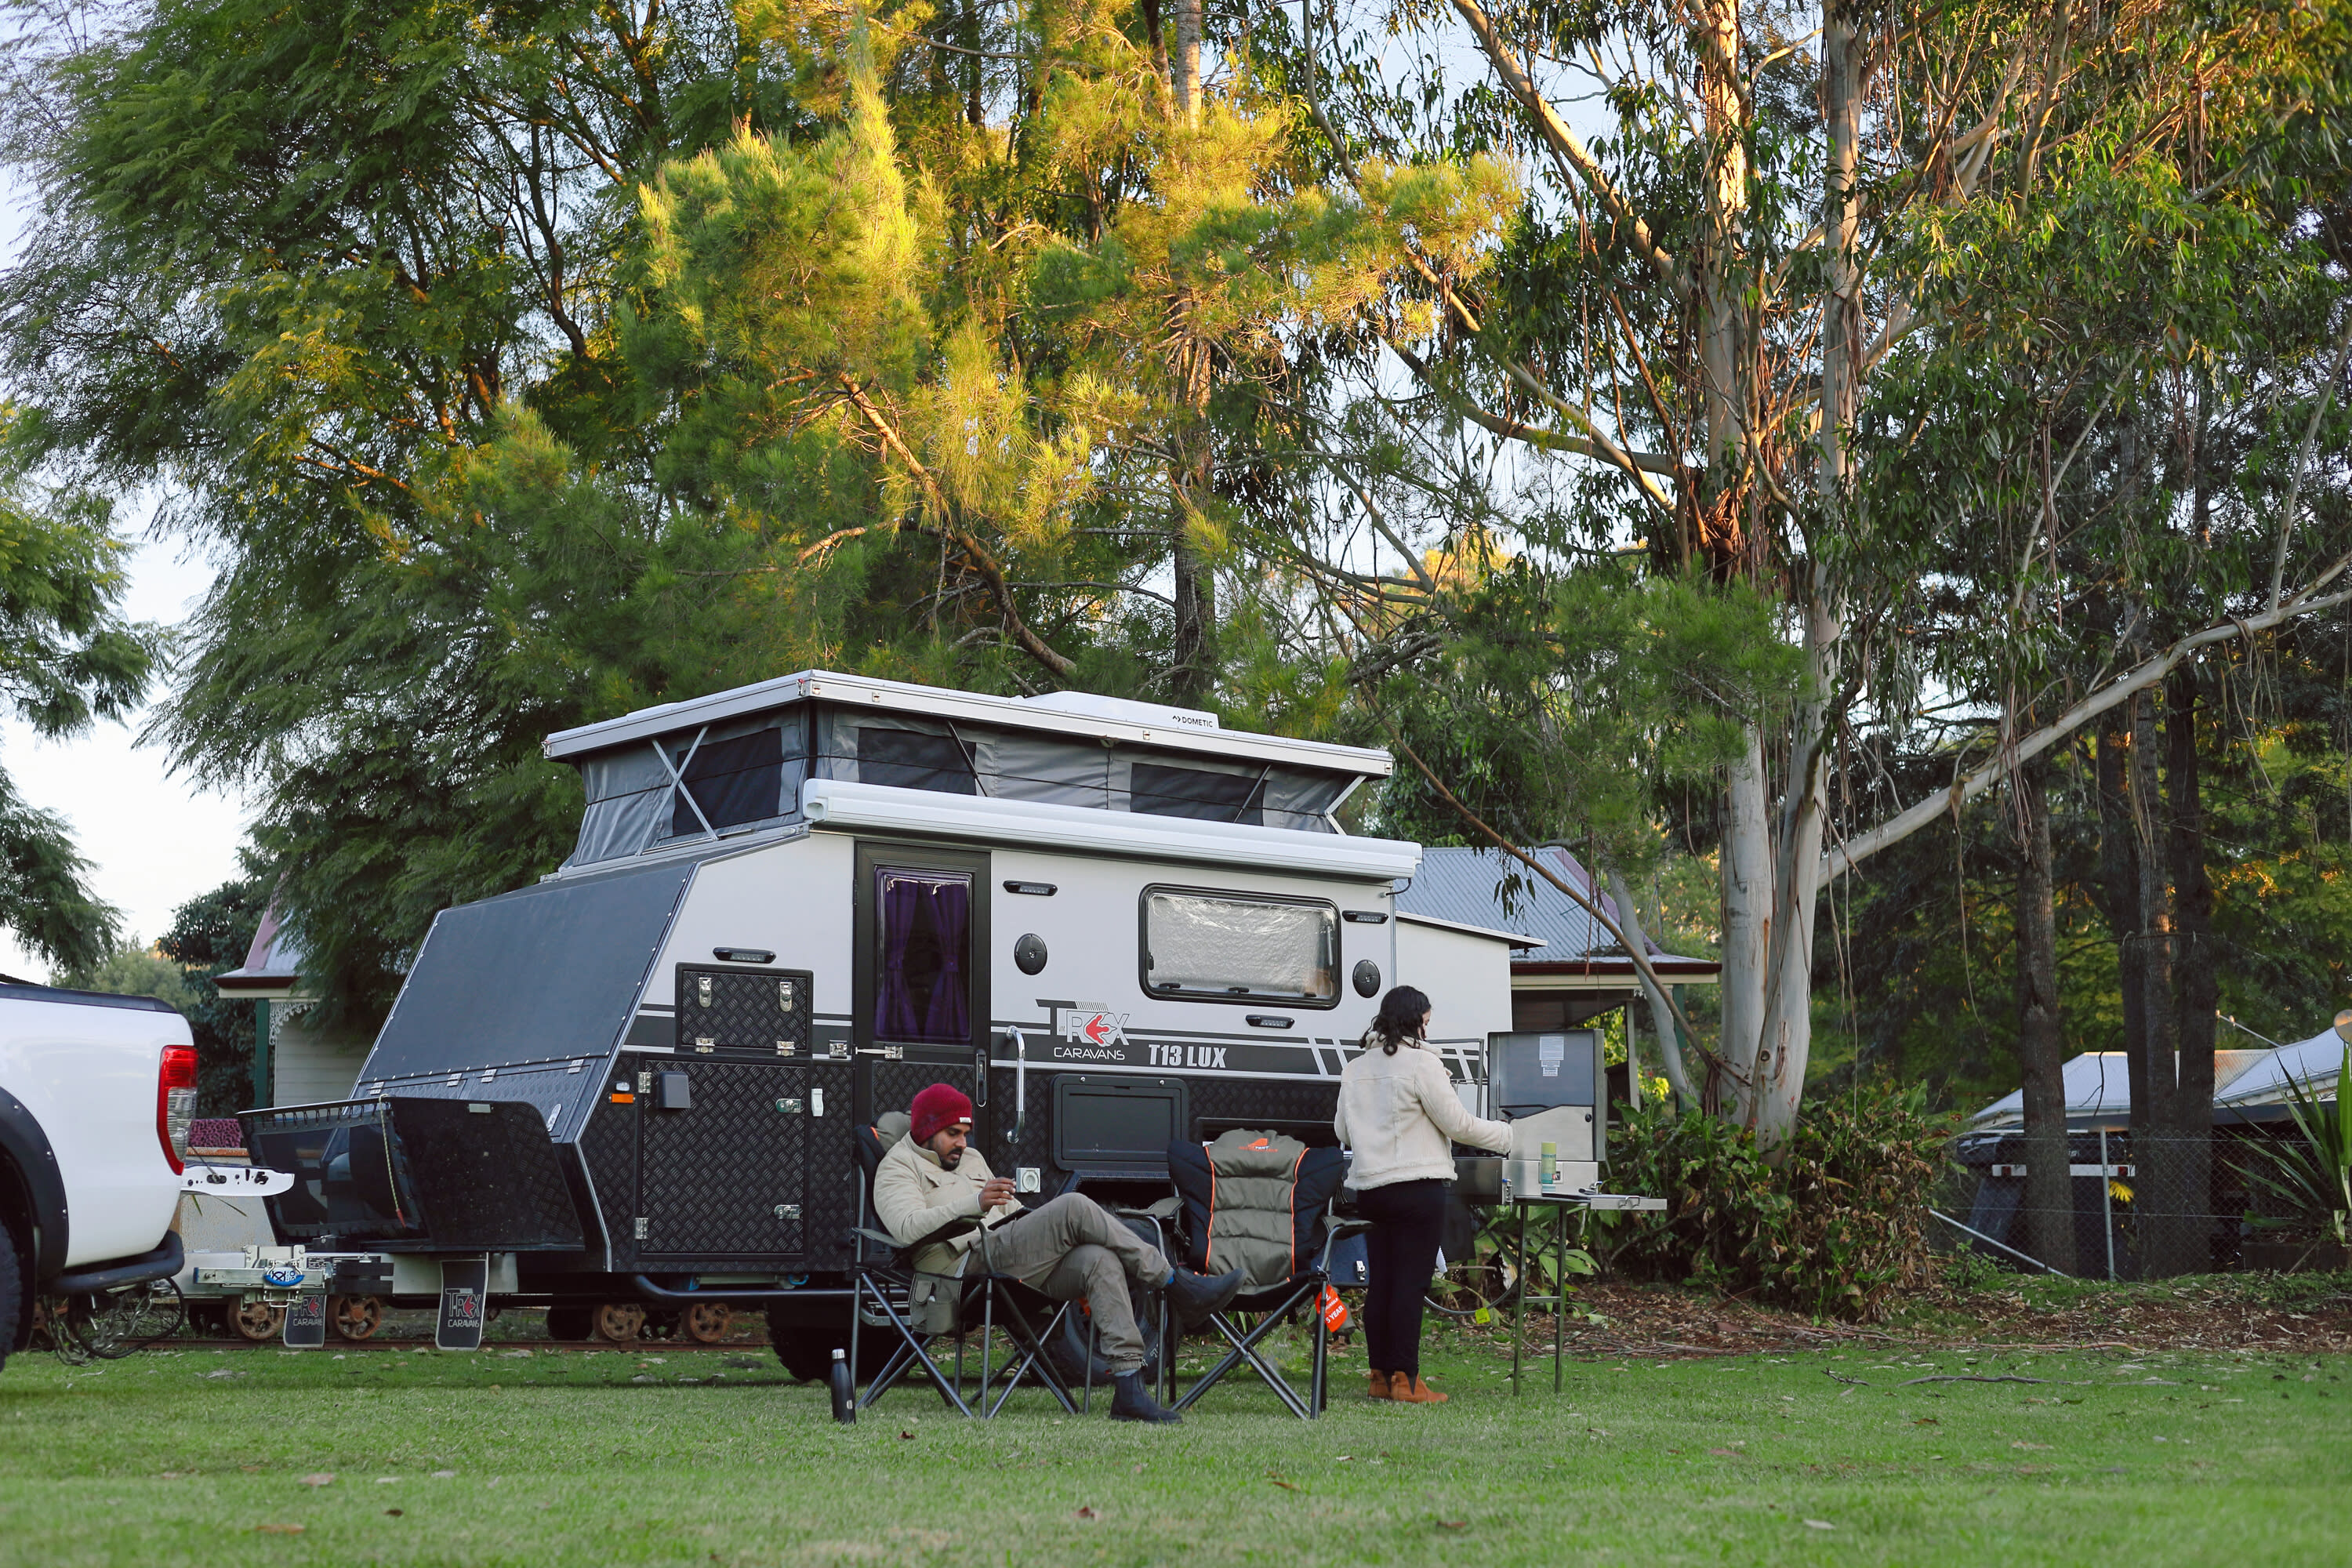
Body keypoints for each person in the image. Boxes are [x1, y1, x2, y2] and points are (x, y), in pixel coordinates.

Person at [872, 1083, 1243, 1423]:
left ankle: (1129, 1389)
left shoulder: (970, 1160)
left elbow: (1011, 1211)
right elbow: (905, 1230)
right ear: (926, 1129)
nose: (962, 1143)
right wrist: (974, 1202)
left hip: (1007, 1255)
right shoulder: (897, 1167)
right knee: (1074, 1206)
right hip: (960, 1269)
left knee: (1100, 1260)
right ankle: (1177, 1283)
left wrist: (1029, 1223)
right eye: (953, 1134)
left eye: (966, 1134)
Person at [1334, 985, 1512, 1405]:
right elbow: (1459, 1125)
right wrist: (1510, 1136)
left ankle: (1379, 1376)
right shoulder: (1422, 1065)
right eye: (1427, 1022)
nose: (1429, 1031)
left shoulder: (1355, 1069)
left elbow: (1342, 1131)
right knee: (1410, 1286)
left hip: (1371, 1192)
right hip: (1417, 1190)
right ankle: (1407, 1382)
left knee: (1382, 1284)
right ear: (1416, 1021)